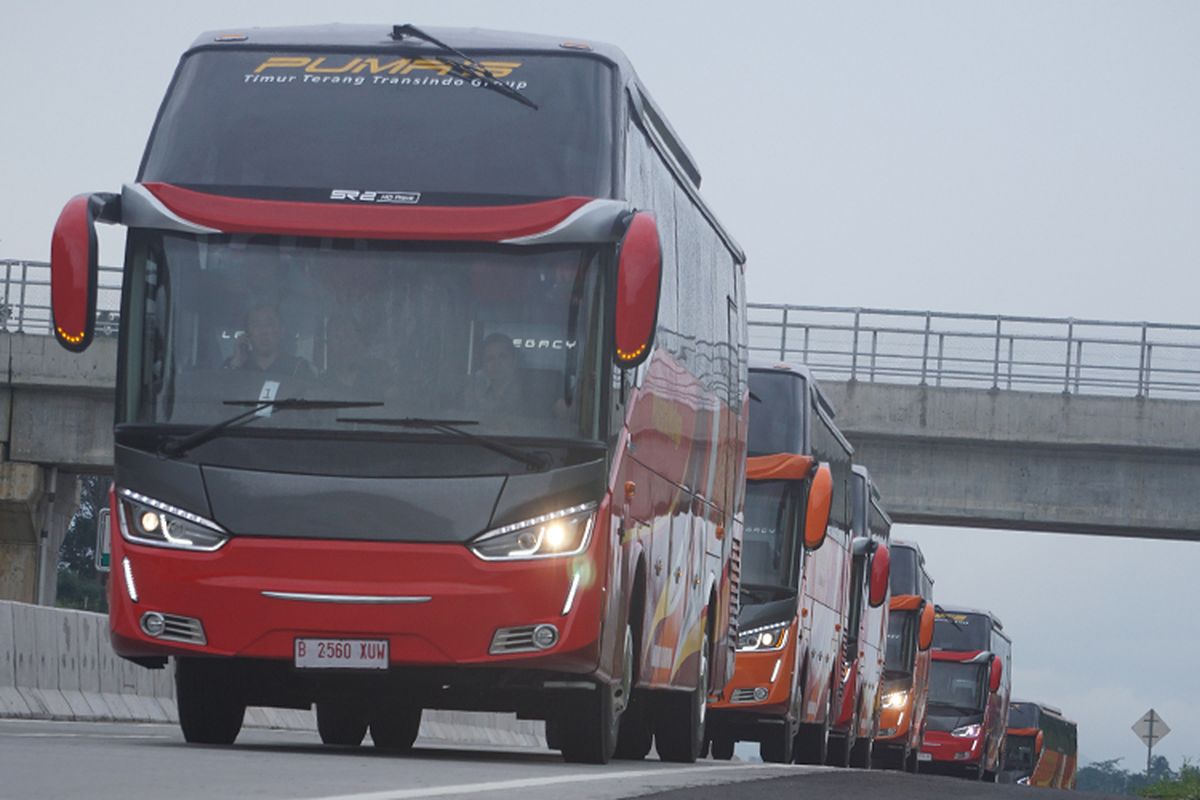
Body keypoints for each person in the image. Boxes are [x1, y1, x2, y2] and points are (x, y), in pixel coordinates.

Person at [225, 303, 314, 378]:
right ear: (247, 334)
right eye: (256, 324)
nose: (263, 331)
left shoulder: (298, 368)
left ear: (282, 331)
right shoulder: (233, 365)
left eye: (270, 323)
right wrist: (236, 363)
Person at [320, 313, 388, 394]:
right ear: (329, 345)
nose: (343, 343)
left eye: (348, 336)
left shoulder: (380, 373)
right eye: (337, 338)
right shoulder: (321, 384)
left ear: (358, 339)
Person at [465, 333, 526, 416]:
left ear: (514, 360)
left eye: (502, 356)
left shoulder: (531, 394)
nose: (496, 363)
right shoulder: (470, 390)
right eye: (490, 358)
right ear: (483, 365)